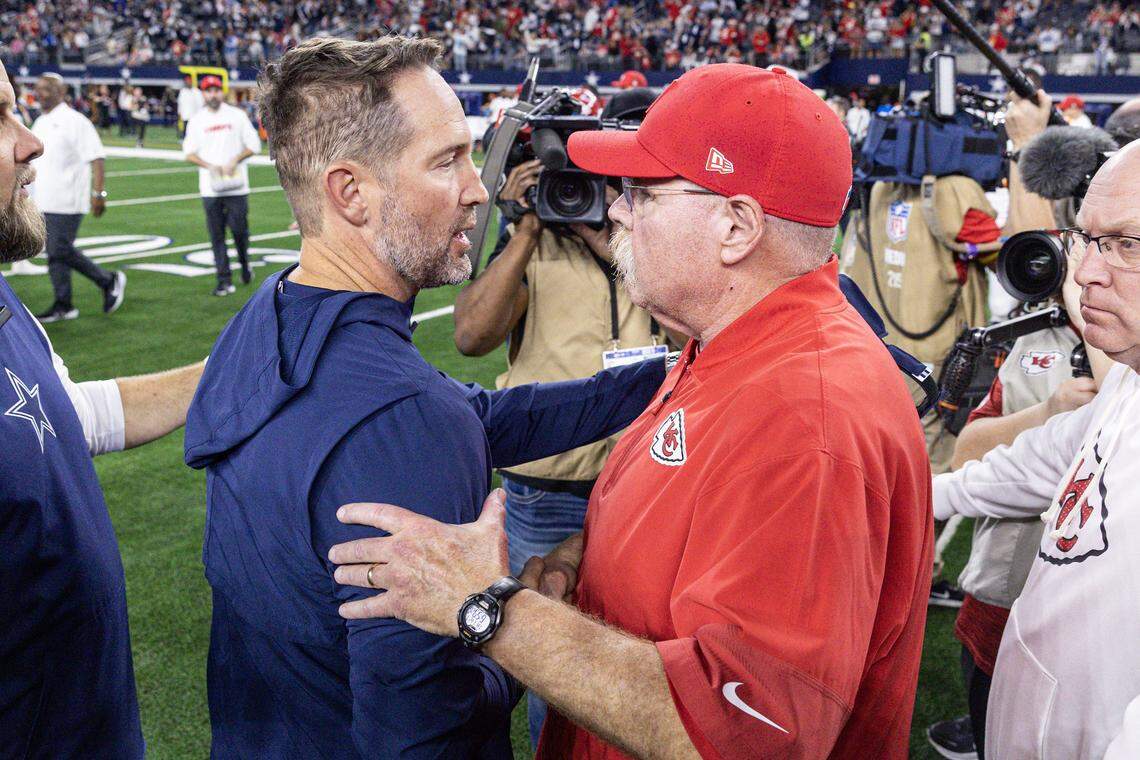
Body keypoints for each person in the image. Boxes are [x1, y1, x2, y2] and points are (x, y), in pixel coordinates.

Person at [327, 63, 933, 759]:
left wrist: (485, 608)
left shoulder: (806, 421)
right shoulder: (739, 343)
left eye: (642, 193)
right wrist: (583, 564)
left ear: (736, 227)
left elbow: (744, 732)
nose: (614, 209)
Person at [182, 36, 666, 758]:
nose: (478, 188)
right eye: (447, 162)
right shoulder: (405, 417)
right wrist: (516, 630)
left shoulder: (271, 314)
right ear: (350, 193)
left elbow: (468, 416)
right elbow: (426, 729)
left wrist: (665, 372)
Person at [0, 60, 207, 758]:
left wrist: (224, 374)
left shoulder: (6, 302)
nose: (28, 141)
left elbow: (59, 419)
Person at [453, 85, 666, 748]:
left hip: (648, 479)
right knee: (554, 659)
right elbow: (471, 334)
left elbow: (704, 338)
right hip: (547, 491)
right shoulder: (534, 240)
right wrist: (527, 228)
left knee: (644, 645)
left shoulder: (651, 240)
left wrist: (616, 247)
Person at [932, 139, 1140, 759]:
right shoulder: (1128, 380)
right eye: (1085, 240)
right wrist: (907, 497)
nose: (1083, 273)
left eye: (1126, 245)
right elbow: (1033, 464)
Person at [29, 72, 125, 323]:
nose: (40, 93)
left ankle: (107, 280)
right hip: (44, 198)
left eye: (46, 89)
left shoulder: (75, 121)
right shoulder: (40, 122)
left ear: (62, 93)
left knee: (59, 248)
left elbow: (97, 157)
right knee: (54, 252)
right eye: (38, 88)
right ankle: (64, 304)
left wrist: (99, 194)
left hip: (68, 198)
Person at [183, 75, 260, 297]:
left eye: (216, 90)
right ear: (203, 94)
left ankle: (245, 265)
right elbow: (189, 153)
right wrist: (210, 166)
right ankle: (223, 279)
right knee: (216, 234)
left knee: (239, 231)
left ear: (222, 92)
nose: (213, 94)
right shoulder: (197, 120)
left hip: (236, 187)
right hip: (210, 188)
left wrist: (234, 160)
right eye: (208, 91)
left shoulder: (236, 116)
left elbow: (253, 145)